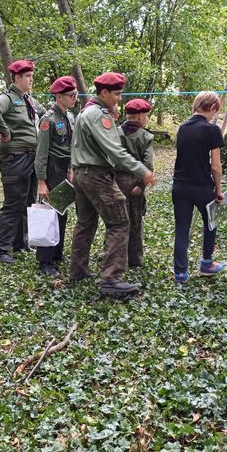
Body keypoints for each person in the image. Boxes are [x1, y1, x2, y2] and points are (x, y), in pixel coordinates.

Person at [69, 72, 154, 297]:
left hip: (81, 174)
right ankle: (111, 279)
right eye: (116, 94)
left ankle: (77, 270)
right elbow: (115, 151)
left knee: (85, 223)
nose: (119, 98)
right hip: (97, 176)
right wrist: (142, 170)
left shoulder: (86, 111)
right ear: (104, 92)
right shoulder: (99, 115)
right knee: (119, 222)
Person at [0, 60, 45, 264]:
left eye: (31, 76)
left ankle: (20, 242)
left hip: (31, 157)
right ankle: (1, 250)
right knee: (12, 204)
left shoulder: (29, 99)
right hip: (15, 157)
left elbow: (45, 115)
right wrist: (5, 132)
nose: (31, 79)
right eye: (27, 76)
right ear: (17, 78)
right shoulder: (8, 98)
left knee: (28, 201)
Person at [172, 92, 226, 283]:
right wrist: (218, 190)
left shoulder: (182, 128)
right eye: (215, 111)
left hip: (179, 186)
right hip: (202, 187)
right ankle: (206, 263)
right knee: (211, 223)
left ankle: (180, 272)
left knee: (181, 228)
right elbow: (216, 166)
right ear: (212, 108)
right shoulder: (212, 130)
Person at [35, 75, 78, 277]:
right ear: (59, 96)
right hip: (51, 169)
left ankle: (57, 253)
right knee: (48, 214)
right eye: (71, 95)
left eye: (76, 95)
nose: (75, 98)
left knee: (62, 212)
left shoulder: (69, 117)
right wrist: (41, 181)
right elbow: (41, 153)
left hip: (64, 169)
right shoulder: (48, 120)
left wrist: (71, 168)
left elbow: (72, 146)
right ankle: (45, 260)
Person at [115, 99, 154, 267]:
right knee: (135, 221)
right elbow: (148, 165)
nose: (147, 118)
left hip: (116, 183)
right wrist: (141, 185)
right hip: (135, 184)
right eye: (146, 115)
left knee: (116, 220)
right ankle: (134, 259)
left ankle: (115, 255)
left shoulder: (114, 133)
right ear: (139, 116)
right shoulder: (145, 136)